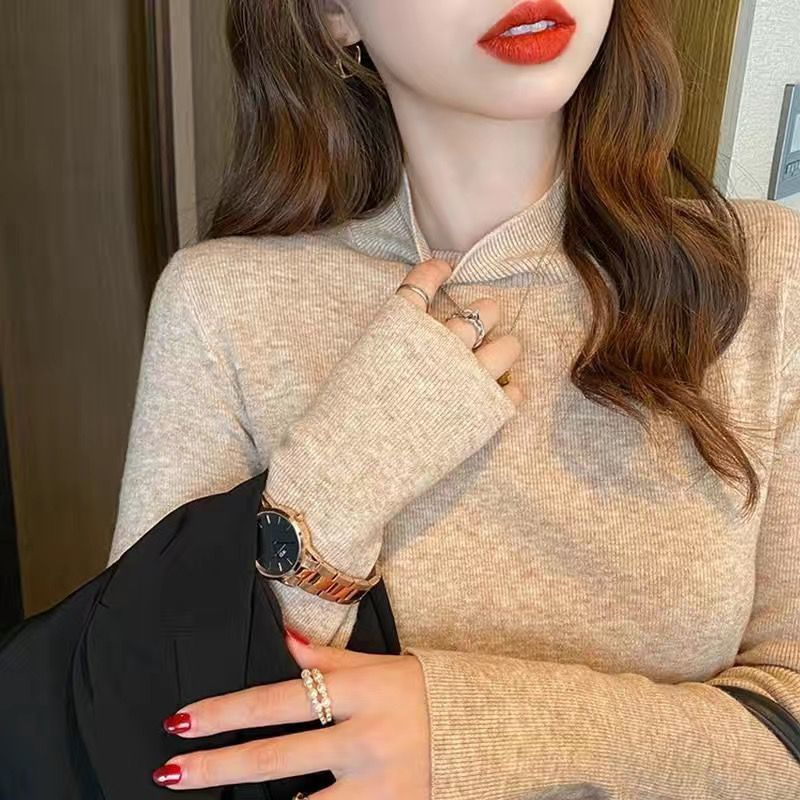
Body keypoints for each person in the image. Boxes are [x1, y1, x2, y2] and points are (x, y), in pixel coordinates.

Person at [107, 0, 800, 797]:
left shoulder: (762, 281)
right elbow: (144, 723)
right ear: (334, 15)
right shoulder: (223, 304)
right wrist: (350, 469)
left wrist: (473, 734)